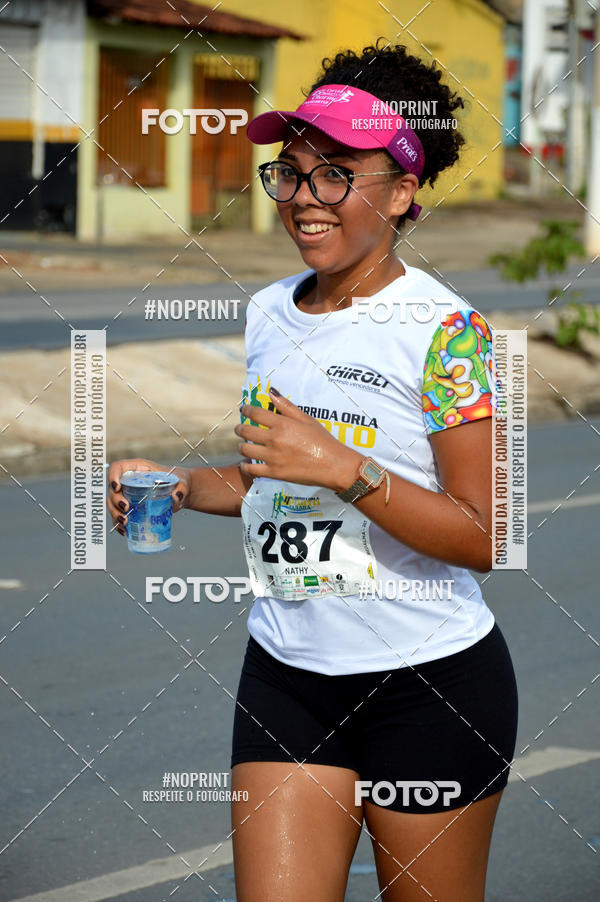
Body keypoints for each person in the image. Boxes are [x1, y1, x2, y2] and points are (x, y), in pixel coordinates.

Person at [107, 41, 518, 902]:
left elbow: (487, 535)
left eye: (336, 175)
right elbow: (267, 480)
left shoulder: (446, 331)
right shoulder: (268, 312)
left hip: (429, 685)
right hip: (287, 677)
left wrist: (345, 469)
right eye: (291, 172)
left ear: (402, 192)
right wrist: (181, 488)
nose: (304, 198)